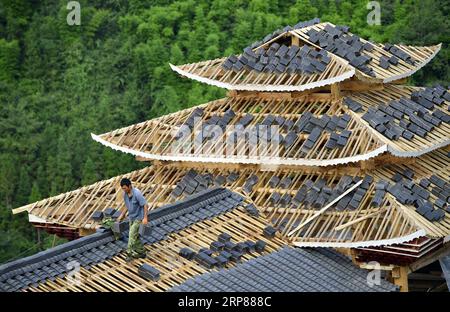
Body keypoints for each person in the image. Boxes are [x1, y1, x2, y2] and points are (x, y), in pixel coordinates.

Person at [120, 178, 148, 261]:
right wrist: (121, 215)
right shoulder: (125, 194)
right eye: (122, 188)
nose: (124, 190)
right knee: (135, 237)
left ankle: (129, 253)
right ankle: (142, 252)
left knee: (131, 234)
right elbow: (127, 205)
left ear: (130, 186)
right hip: (131, 217)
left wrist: (145, 218)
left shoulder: (137, 194)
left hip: (139, 218)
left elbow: (145, 205)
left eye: (125, 188)